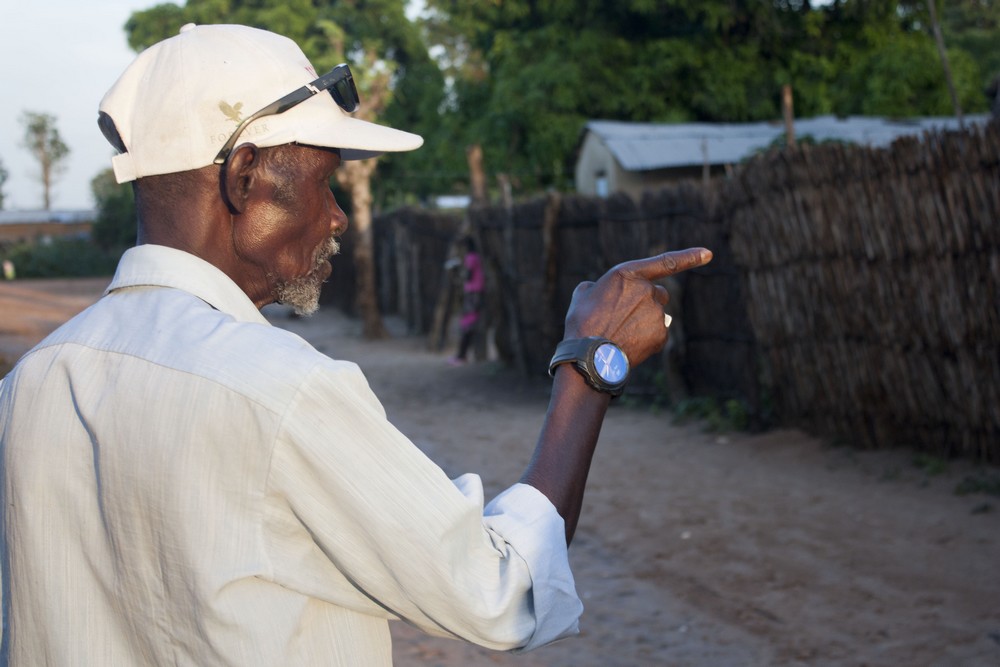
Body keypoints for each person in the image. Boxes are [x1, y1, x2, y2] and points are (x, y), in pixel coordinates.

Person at [0, 24, 712, 667]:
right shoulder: (279, 391)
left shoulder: (28, 384)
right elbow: (500, 591)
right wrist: (591, 363)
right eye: (324, 181)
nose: (337, 216)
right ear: (244, 177)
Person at [447, 236, 485, 365]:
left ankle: (461, 356)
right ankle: (462, 355)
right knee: (469, 324)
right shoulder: (477, 258)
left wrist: (457, 271)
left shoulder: (470, 258)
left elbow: (468, 276)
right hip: (476, 293)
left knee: (467, 325)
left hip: (473, 293)